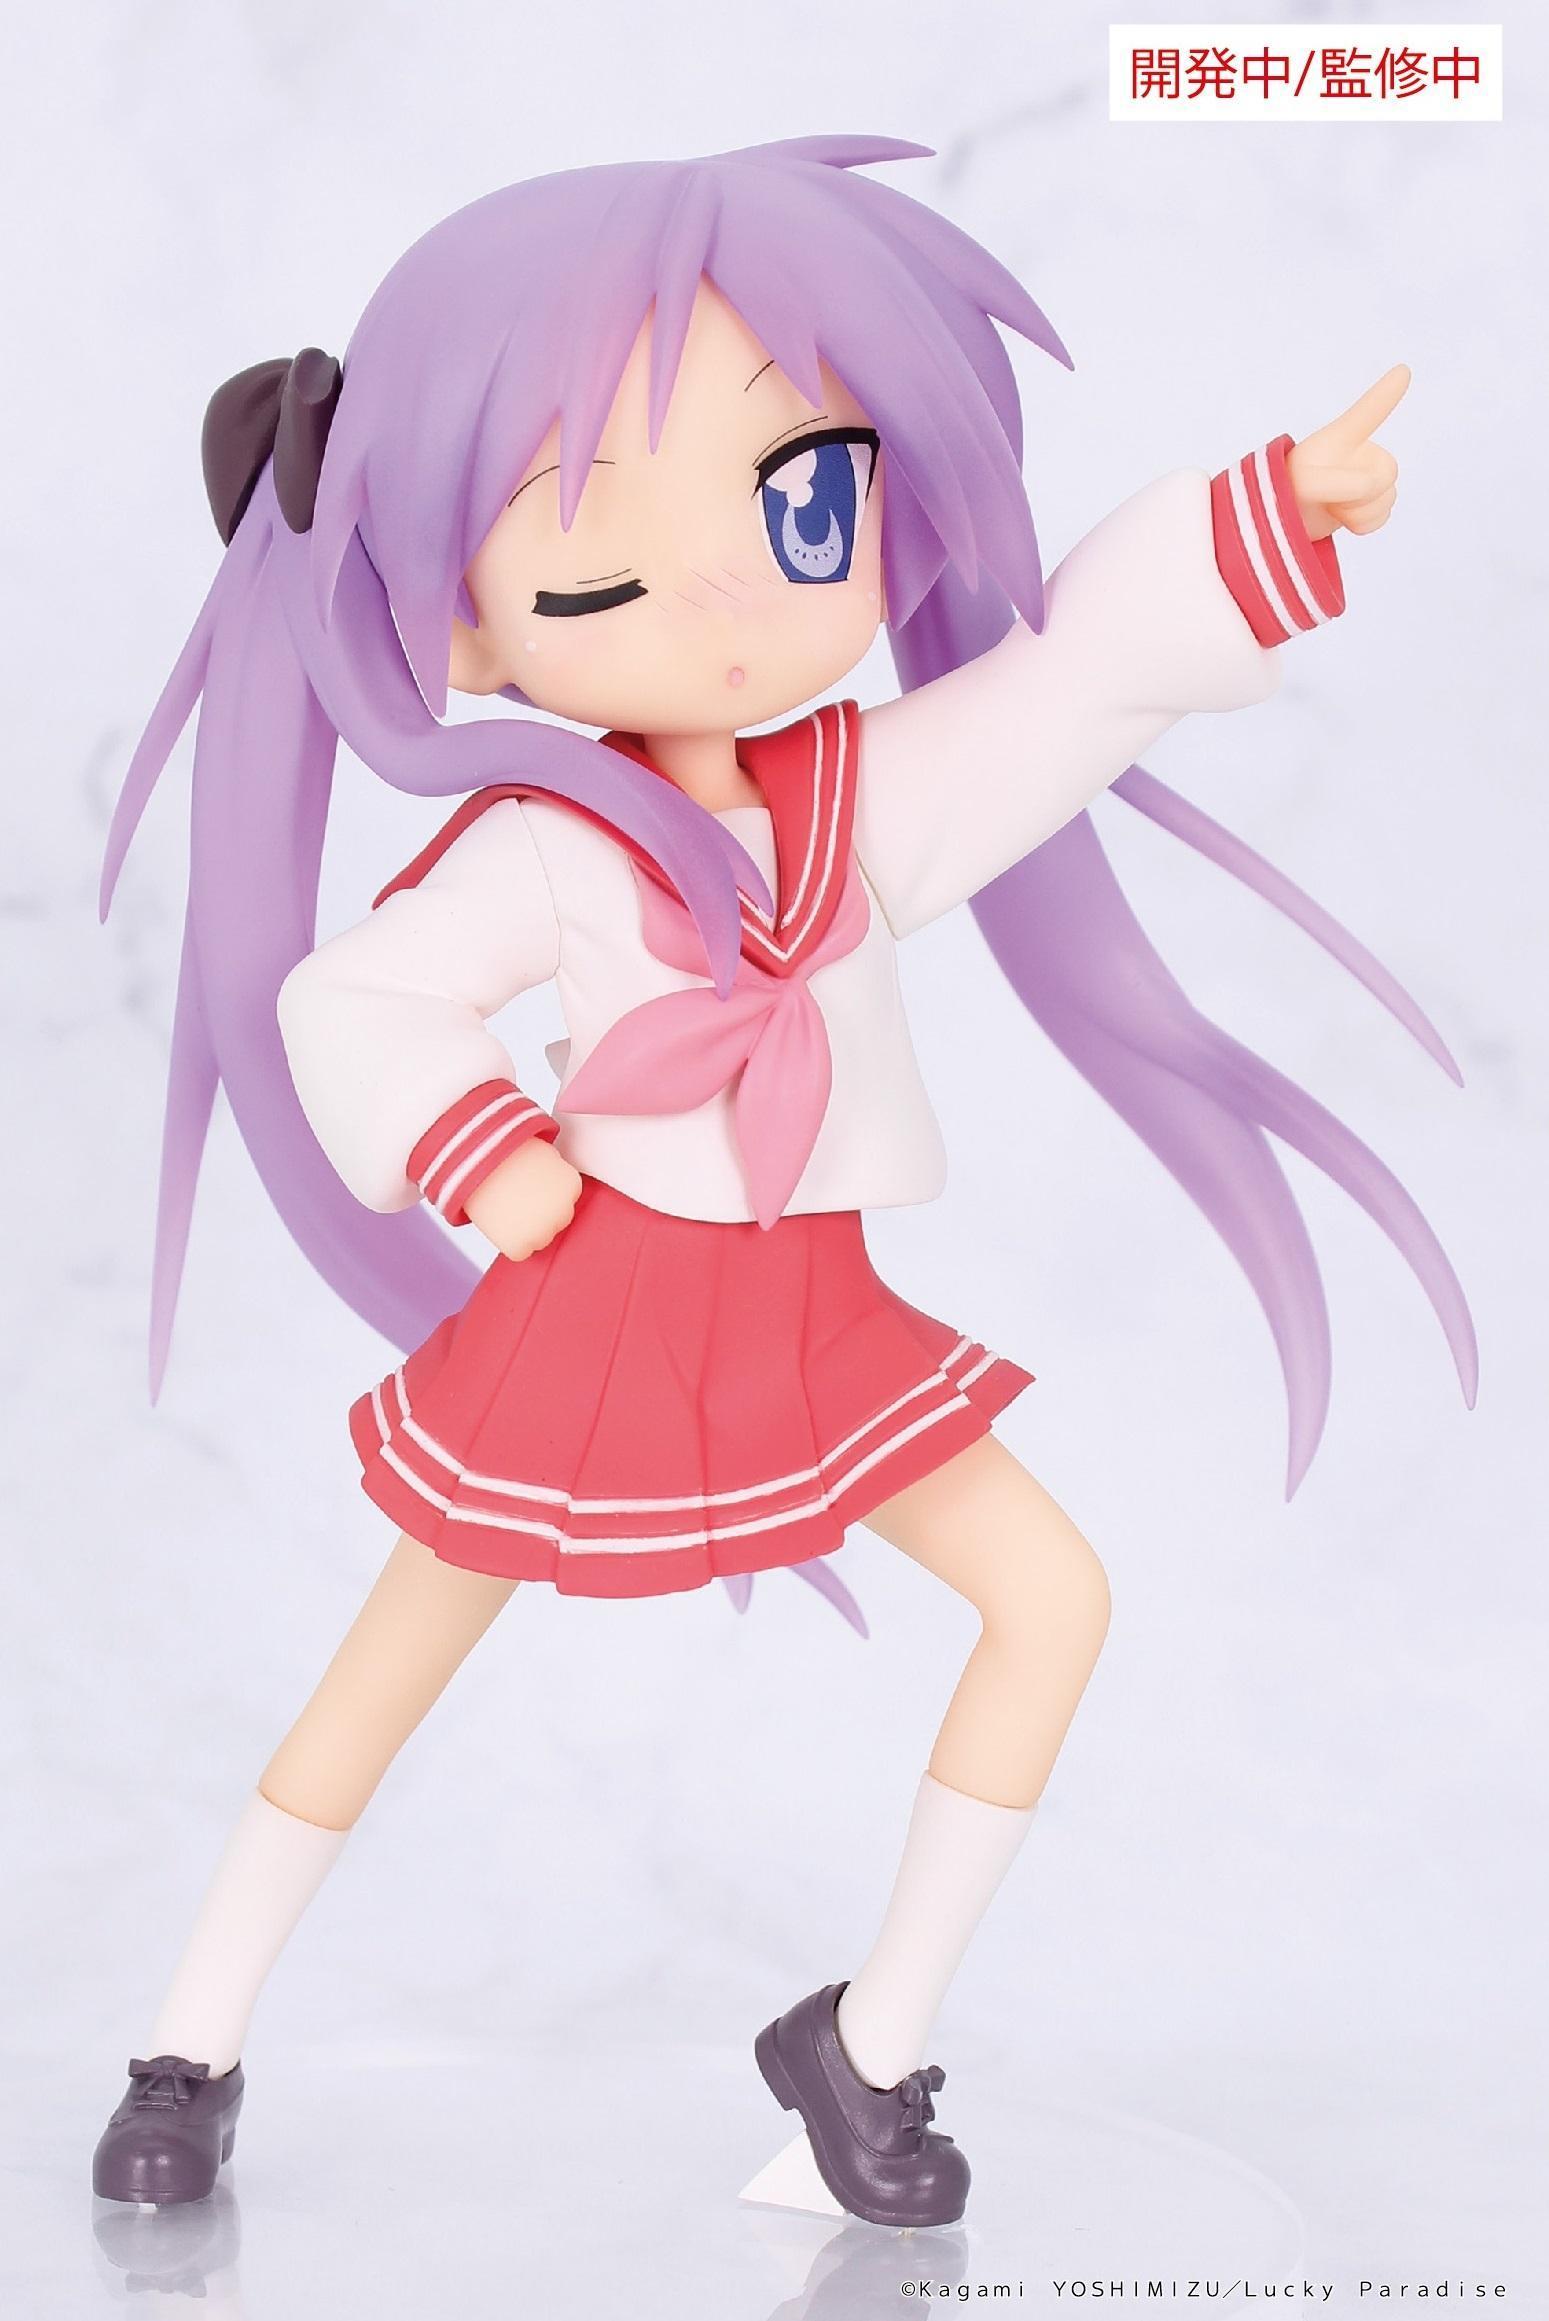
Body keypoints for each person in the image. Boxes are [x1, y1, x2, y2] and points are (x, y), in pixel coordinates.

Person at [92, 137, 1471, 2226]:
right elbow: (354, 999)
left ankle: (868, 2050)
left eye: (800, 497)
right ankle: (190, 2039)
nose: (729, 595)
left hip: (817, 1323)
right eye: (587, 534)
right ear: (457, 611)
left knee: (1052, 1600)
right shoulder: (545, 840)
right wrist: (484, 1151)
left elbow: (1065, 689)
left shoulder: (859, 800)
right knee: (391, 1668)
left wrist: (1263, 513)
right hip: (594, 1317)